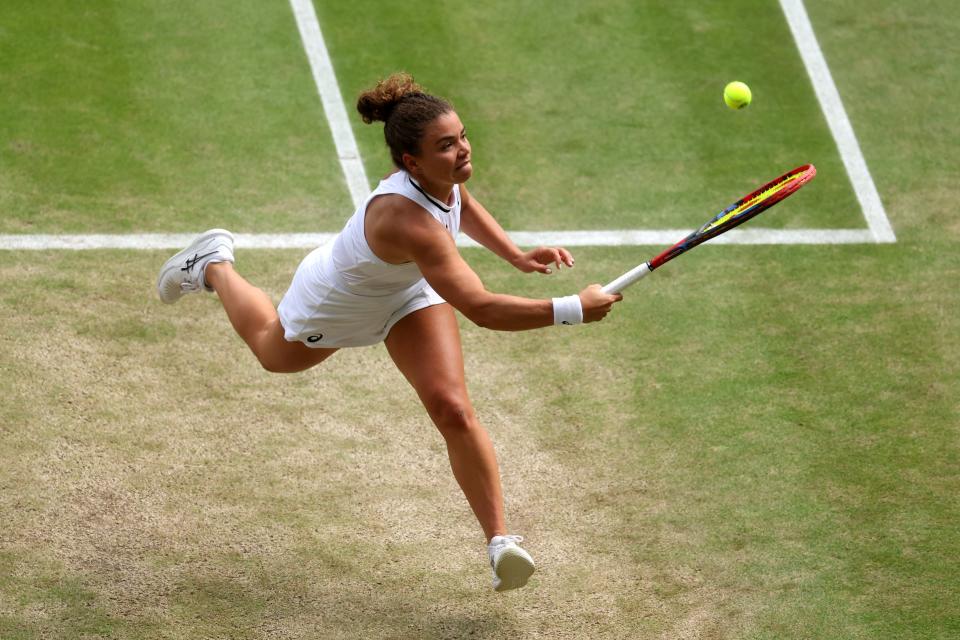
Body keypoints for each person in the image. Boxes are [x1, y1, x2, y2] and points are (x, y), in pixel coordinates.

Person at [157, 72, 622, 592]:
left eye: (462, 135)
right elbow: (482, 309)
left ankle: (500, 543)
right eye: (446, 146)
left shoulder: (440, 178)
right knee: (272, 351)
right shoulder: (406, 220)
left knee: (452, 408)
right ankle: (214, 264)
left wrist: (514, 253)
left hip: (408, 292)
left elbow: (460, 200)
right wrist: (572, 308)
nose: (463, 150)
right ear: (411, 162)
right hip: (340, 299)